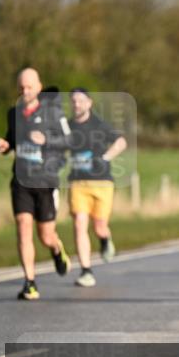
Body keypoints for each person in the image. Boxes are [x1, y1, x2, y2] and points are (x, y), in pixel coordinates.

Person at [0, 68, 72, 300]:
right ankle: (29, 282)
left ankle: (56, 249)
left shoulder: (53, 113)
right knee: (23, 226)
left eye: (29, 87)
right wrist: (5, 145)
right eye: (21, 87)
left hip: (45, 180)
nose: (25, 91)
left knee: (45, 235)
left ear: (39, 87)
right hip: (21, 180)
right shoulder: (14, 114)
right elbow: (12, 139)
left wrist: (47, 139)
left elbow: (69, 139)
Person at [66, 88, 126, 287]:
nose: (77, 104)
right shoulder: (67, 126)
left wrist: (105, 158)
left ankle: (105, 239)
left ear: (89, 103)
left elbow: (121, 142)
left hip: (102, 182)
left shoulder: (99, 125)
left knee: (99, 225)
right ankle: (86, 271)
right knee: (79, 223)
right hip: (77, 183)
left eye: (80, 100)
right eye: (73, 101)